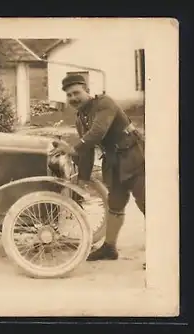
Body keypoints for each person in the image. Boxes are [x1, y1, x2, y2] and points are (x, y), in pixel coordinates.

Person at [52, 74, 145, 261]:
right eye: (69, 95)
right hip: (114, 162)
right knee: (115, 204)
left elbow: (97, 133)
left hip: (135, 157)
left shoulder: (105, 103)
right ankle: (109, 248)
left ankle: (164, 252)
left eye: (76, 92)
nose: (73, 98)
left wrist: (71, 148)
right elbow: (86, 150)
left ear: (87, 90)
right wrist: (82, 180)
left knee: (147, 204)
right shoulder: (80, 118)